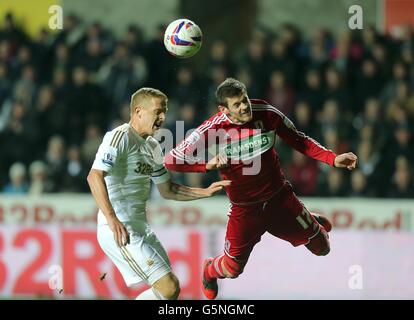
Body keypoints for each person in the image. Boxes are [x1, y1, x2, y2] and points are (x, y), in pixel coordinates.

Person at [164, 78, 357, 300]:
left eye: (244, 99)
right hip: (245, 210)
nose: (244, 106)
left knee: (323, 248)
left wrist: (332, 159)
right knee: (232, 270)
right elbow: (171, 160)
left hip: (280, 199)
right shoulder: (212, 128)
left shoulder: (266, 112)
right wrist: (207, 165)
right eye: (236, 104)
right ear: (223, 109)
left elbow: (299, 140)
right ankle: (209, 269)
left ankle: (306, 218)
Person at [87, 87, 229, 300]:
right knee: (168, 286)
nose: (163, 117)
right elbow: (94, 176)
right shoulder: (119, 137)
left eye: (165, 111)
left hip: (140, 228)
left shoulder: (152, 145)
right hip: (118, 228)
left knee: (170, 290)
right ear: (138, 111)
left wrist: (205, 192)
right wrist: (111, 218)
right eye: (158, 111)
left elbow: (168, 189)